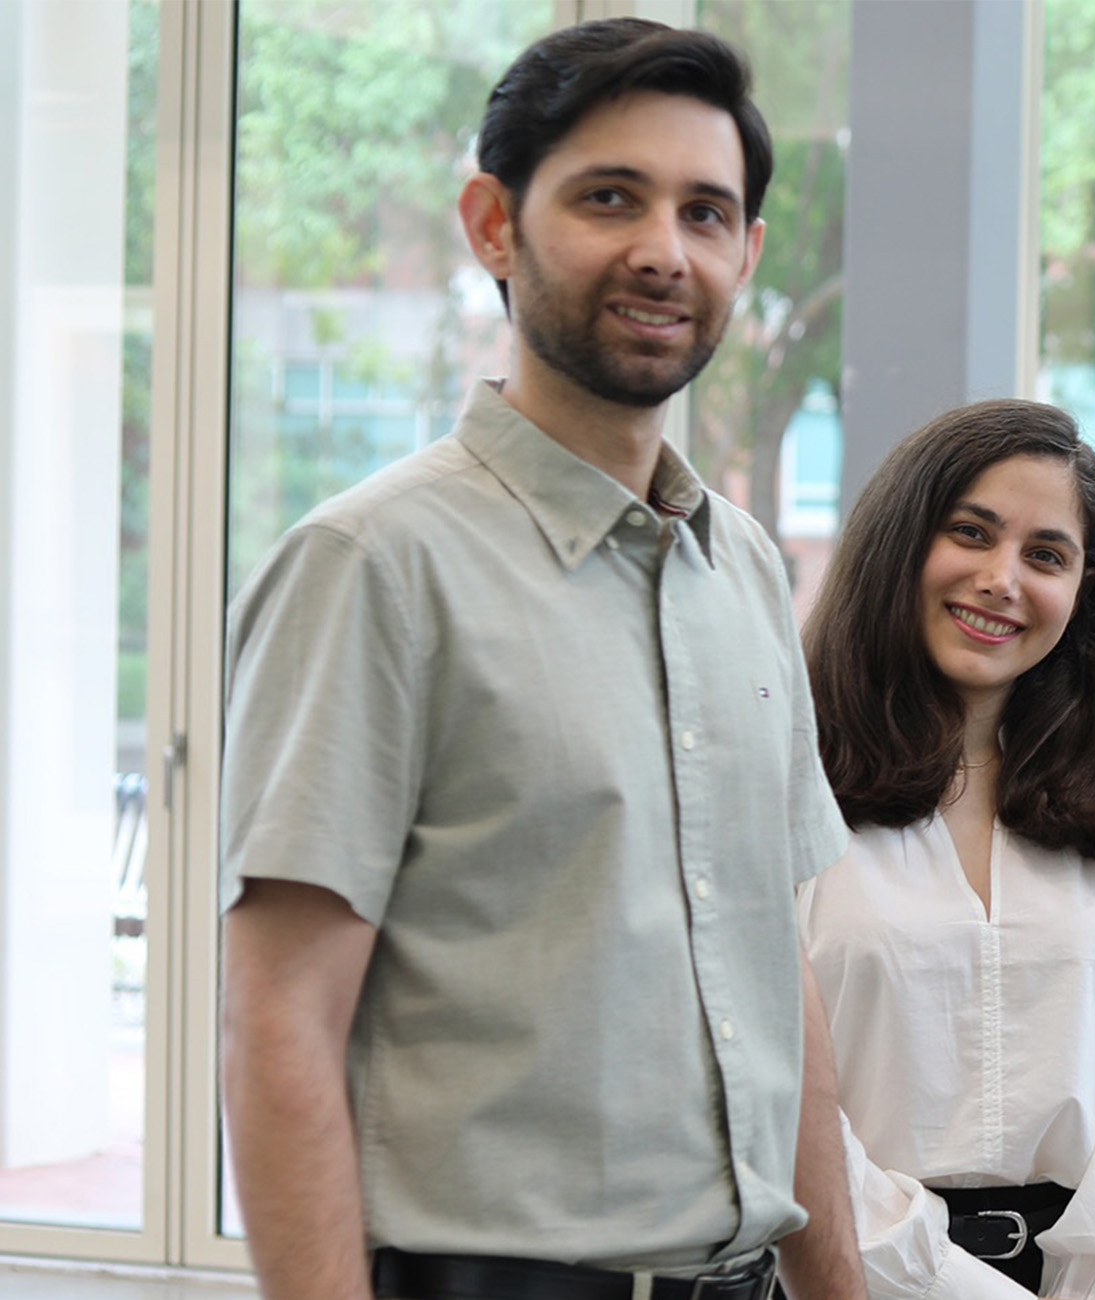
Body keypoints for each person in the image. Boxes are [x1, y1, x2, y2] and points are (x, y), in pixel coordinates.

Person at [219, 19, 861, 1300]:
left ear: (748, 253)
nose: (661, 252)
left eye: (704, 212)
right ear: (493, 226)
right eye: (608, 198)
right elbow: (279, 1019)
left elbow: (770, 971)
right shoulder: (372, 564)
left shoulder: (739, 568)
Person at [798, 400, 1095, 1300]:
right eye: (970, 533)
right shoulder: (783, 785)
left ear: (1085, 590)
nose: (1001, 579)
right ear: (898, 546)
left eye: (1046, 555)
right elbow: (778, 1106)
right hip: (838, 1279)